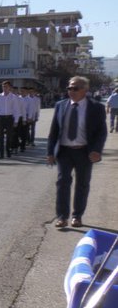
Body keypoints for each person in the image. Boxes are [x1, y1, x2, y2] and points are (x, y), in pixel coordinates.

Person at [46, 77, 107, 228]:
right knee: (62, 183)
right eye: (69, 88)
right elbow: (54, 131)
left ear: (85, 90)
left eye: (75, 88)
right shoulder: (61, 105)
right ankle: (62, 217)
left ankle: (77, 216)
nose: (71, 91)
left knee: (82, 184)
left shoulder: (96, 107)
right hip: (64, 151)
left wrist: (96, 150)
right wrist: (50, 152)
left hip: (84, 152)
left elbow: (101, 132)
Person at [0, 81, 22, 159]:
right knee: (0, 136)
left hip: (9, 118)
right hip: (0, 118)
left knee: (9, 136)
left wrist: (16, 120)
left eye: (6, 86)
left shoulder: (13, 97)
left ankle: (8, 151)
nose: (4, 88)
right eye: (3, 86)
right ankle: (1, 153)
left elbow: (16, 109)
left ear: (10, 87)